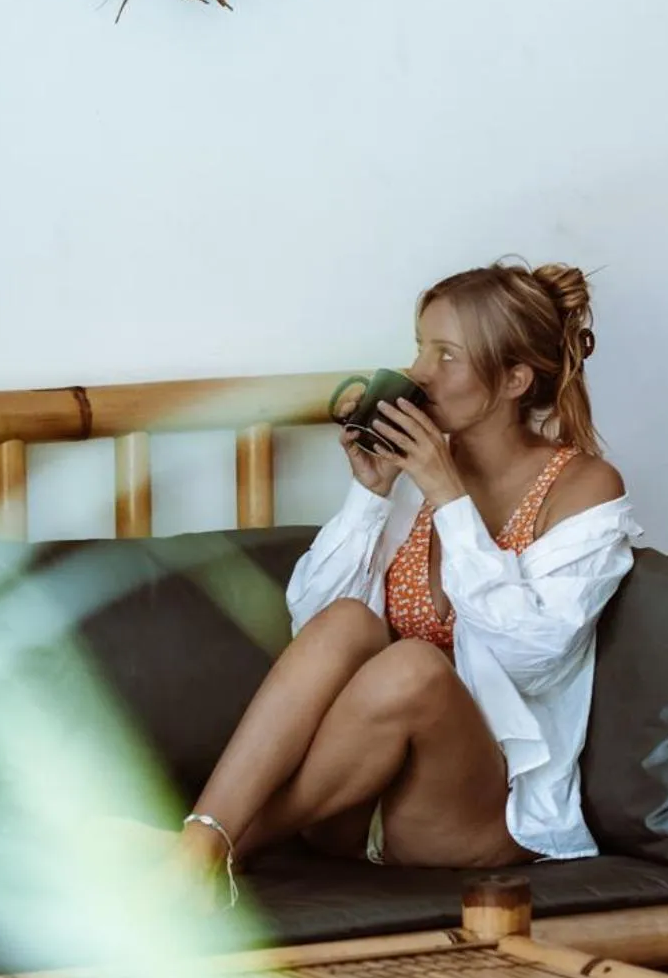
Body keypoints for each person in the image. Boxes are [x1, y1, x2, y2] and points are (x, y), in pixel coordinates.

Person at [177, 260, 640, 898]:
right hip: (347, 802)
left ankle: (225, 845)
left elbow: (532, 657)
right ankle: (203, 841)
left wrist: (451, 498)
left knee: (416, 667)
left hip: (469, 817)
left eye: (447, 354)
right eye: (421, 348)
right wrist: (371, 496)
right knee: (347, 622)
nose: (421, 372)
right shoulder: (415, 474)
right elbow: (310, 628)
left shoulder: (583, 487)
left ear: (514, 379)